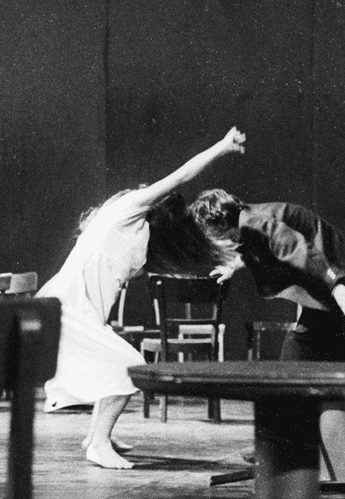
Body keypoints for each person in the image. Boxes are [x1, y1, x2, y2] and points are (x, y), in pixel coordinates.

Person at [39, 128, 246, 469]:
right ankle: (99, 443)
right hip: (66, 309)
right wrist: (222, 147)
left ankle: (96, 437)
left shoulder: (136, 236)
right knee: (127, 366)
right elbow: (182, 175)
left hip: (75, 311)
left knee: (114, 368)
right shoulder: (128, 209)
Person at [189, 190, 345, 475]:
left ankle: (279, 446)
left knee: (297, 359)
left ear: (220, 224)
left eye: (213, 235)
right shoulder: (248, 219)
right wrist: (235, 266)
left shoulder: (256, 222)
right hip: (339, 281)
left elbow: (298, 248)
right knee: (334, 365)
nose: (214, 241)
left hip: (340, 285)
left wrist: (335, 287)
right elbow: (258, 246)